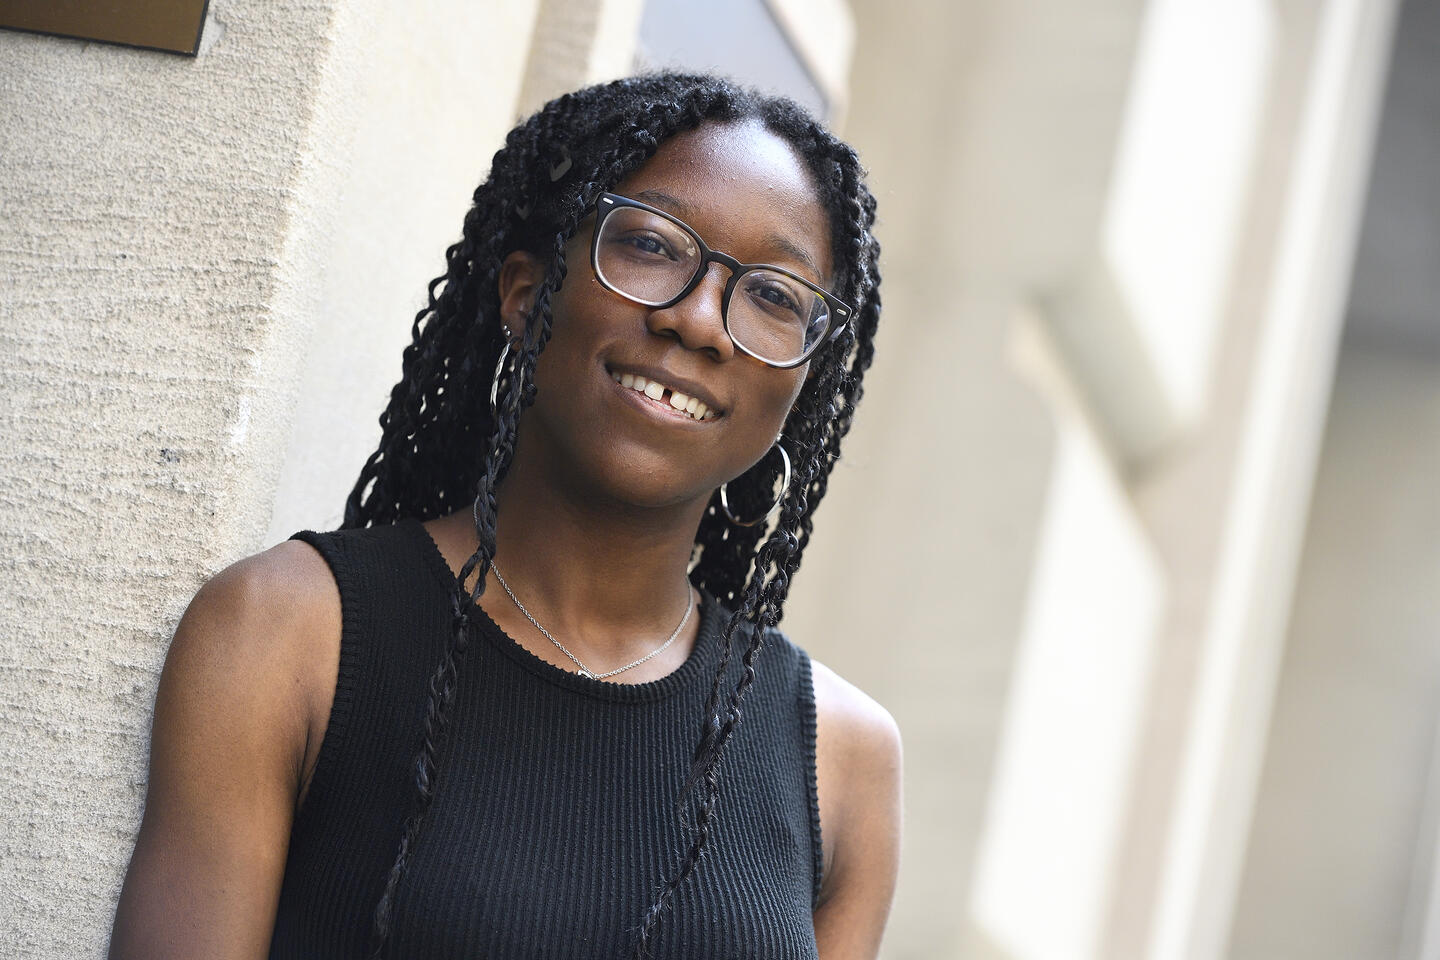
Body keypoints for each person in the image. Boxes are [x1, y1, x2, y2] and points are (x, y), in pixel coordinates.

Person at [109, 72, 902, 959]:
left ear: (801, 386)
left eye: (774, 296)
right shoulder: (287, 635)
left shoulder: (842, 757)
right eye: (652, 244)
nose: (701, 322)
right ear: (525, 295)